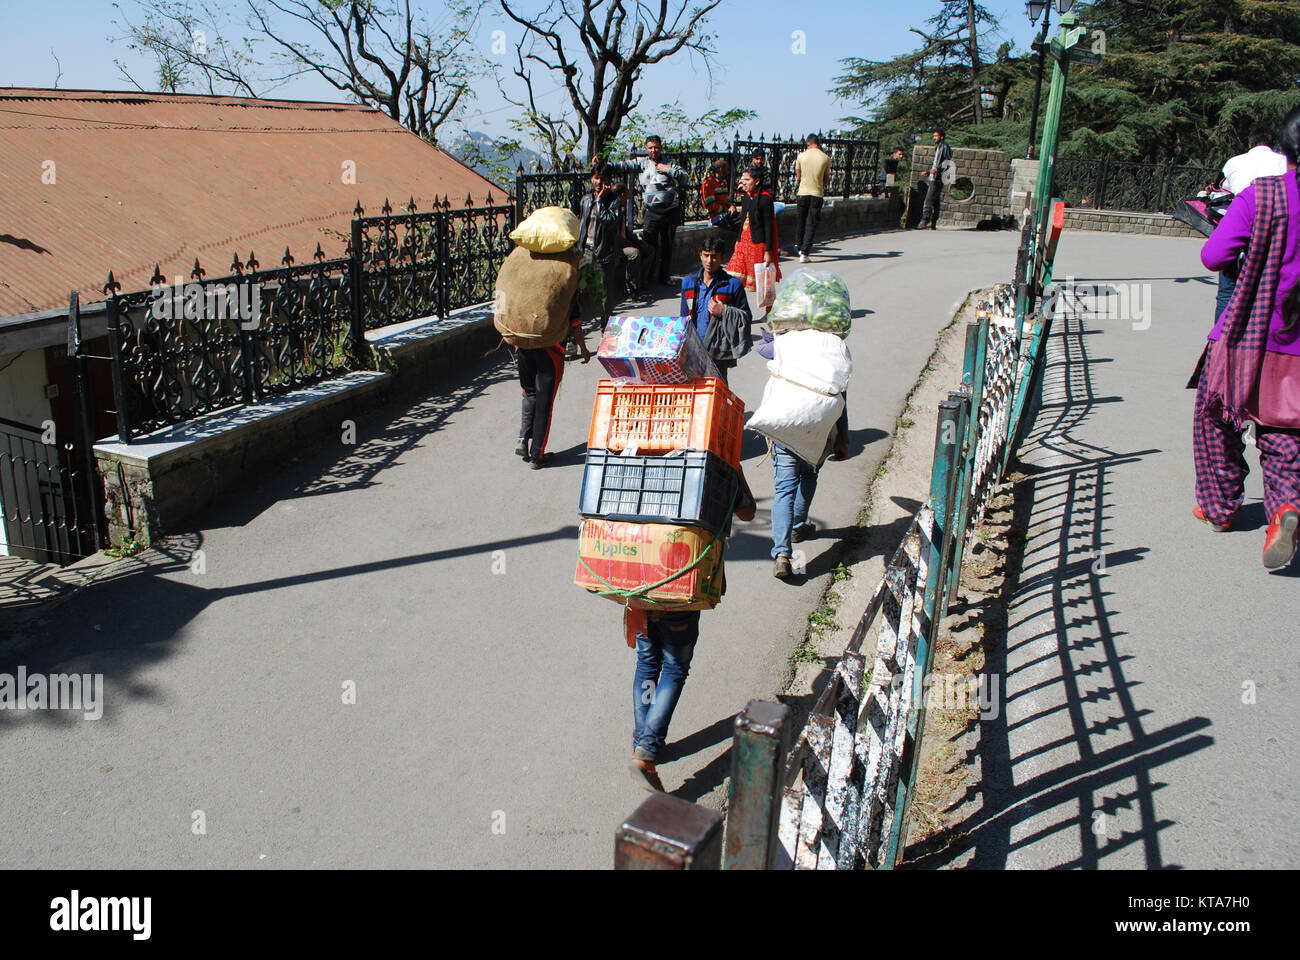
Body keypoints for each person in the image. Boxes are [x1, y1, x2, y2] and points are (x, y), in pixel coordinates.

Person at [1193, 106, 1300, 569]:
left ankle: (1219, 508)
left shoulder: (1264, 195)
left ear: (1284, 147)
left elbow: (1213, 256)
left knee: (1215, 415)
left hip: (1247, 332)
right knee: (1285, 434)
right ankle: (1285, 509)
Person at [629, 470, 757, 791]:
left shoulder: (647, 455)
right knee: (674, 667)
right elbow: (748, 512)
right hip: (682, 581)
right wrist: (735, 473)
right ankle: (647, 748)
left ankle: (641, 741)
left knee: (647, 662)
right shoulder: (716, 463)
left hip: (641, 575)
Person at [757, 330, 849, 578]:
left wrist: (774, 334)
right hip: (819, 426)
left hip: (787, 424)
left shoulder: (788, 343)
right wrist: (843, 438)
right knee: (809, 474)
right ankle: (797, 526)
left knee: (785, 488)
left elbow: (763, 349)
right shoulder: (836, 347)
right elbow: (841, 396)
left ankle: (782, 554)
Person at [1215, 124, 1289, 320]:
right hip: (1272, 230)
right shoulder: (1283, 162)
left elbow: (1221, 187)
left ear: (1250, 142)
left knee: (1226, 291)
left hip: (1237, 226)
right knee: (1266, 289)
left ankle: (1220, 337)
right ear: (1273, 144)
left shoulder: (1233, 162)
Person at [514, 308, 592, 469]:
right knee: (545, 403)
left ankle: (523, 439)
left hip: (523, 345)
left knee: (529, 393)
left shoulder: (524, 283)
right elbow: (575, 322)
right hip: (550, 349)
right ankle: (537, 456)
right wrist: (583, 349)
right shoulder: (559, 285)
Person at [607, 135, 688, 286]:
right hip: (651, 211)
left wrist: (669, 170)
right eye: (650, 147)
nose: (653, 150)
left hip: (669, 210)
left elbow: (685, 177)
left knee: (667, 245)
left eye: (656, 147)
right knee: (649, 244)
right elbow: (624, 166)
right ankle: (647, 278)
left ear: (661, 148)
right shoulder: (642, 164)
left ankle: (663, 277)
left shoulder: (669, 163)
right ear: (646, 149)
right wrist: (608, 165)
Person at [680, 237, 752, 382]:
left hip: (718, 351)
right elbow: (682, 319)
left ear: (722, 258)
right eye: (706, 255)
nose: (709, 261)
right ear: (700, 255)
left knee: (718, 391)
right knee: (693, 392)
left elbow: (747, 317)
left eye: (714, 256)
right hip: (692, 349)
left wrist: (724, 311)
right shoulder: (688, 283)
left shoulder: (733, 285)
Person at [576, 161, 630, 331]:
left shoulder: (614, 202)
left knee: (605, 294)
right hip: (585, 251)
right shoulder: (585, 200)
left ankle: (605, 328)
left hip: (603, 253)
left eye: (603, 178)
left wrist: (599, 201)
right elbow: (582, 225)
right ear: (592, 179)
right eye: (596, 178)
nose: (599, 182)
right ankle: (573, 333)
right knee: (576, 292)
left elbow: (608, 222)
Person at [726, 167, 781, 305]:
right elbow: (742, 221)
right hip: (743, 244)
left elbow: (769, 227)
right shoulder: (745, 199)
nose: (743, 182)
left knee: (764, 282)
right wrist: (737, 241)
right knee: (733, 276)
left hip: (758, 245)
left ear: (756, 181)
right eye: (742, 179)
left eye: (747, 179)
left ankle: (770, 312)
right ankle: (736, 308)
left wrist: (768, 251)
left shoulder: (765, 199)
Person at [795, 133, 831, 262]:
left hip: (802, 192)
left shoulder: (801, 156)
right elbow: (826, 179)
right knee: (811, 223)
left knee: (801, 221)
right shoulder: (825, 158)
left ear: (808, 143)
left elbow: (798, 177)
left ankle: (799, 246)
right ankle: (805, 251)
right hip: (816, 193)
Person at [920, 128, 953, 230]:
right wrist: (930, 172)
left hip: (937, 178)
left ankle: (924, 221)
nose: (934, 138)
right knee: (935, 201)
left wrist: (935, 170)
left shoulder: (945, 147)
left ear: (941, 137)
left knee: (928, 201)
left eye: (936, 136)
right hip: (935, 176)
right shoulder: (939, 147)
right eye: (934, 136)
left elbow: (947, 161)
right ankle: (933, 223)